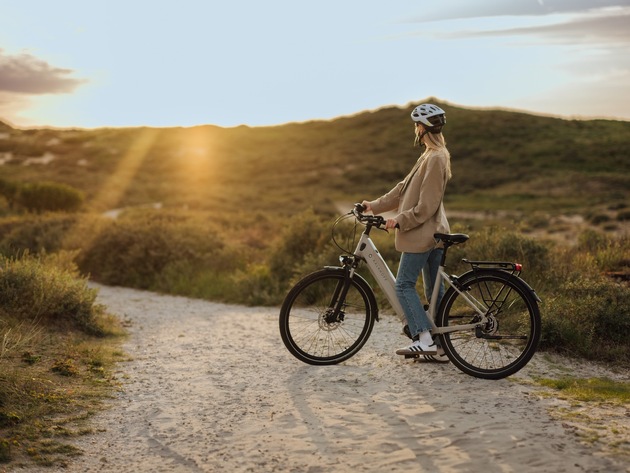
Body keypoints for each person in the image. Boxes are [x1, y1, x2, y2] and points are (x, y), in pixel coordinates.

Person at [362, 103, 452, 356]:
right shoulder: (430, 155)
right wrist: (374, 206)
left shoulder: (435, 158)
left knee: (403, 285)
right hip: (434, 232)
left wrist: (400, 220)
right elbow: (402, 190)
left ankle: (424, 339)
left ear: (422, 128)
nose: (415, 129)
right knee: (434, 290)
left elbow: (426, 206)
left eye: (417, 125)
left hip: (424, 232)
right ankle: (442, 344)